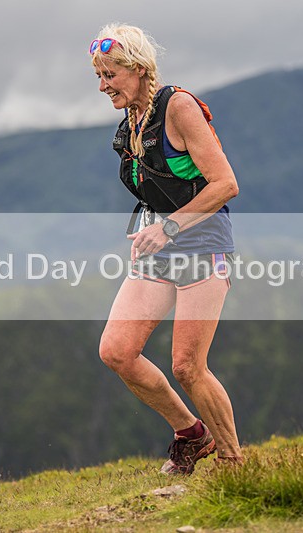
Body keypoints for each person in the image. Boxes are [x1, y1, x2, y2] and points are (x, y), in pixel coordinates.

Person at [91, 23, 243, 474]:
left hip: (202, 243)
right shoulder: (131, 124)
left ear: (138, 69)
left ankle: (236, 465)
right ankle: (191, 434)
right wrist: (149, 228)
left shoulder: (178, 107)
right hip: (160, 249)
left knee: (188, 367)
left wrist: (170, 227)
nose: (103, 86)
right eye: (98, 76)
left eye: (110, 74)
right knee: (117, 351)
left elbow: (226, 184)